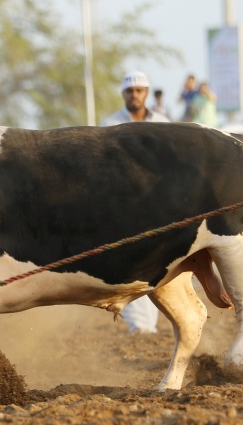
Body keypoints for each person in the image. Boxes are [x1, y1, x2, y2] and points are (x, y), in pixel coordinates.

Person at [99, 71, 170, 334]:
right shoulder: (109, 125)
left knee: (158, 260)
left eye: (139, 90)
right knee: (131, 261)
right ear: (124, 94)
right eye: (130, 91)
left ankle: (146, 324)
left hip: (156, 204)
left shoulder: (163, 124)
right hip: (123, 205)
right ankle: (139, 325)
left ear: (146, 93)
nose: (135, 95)